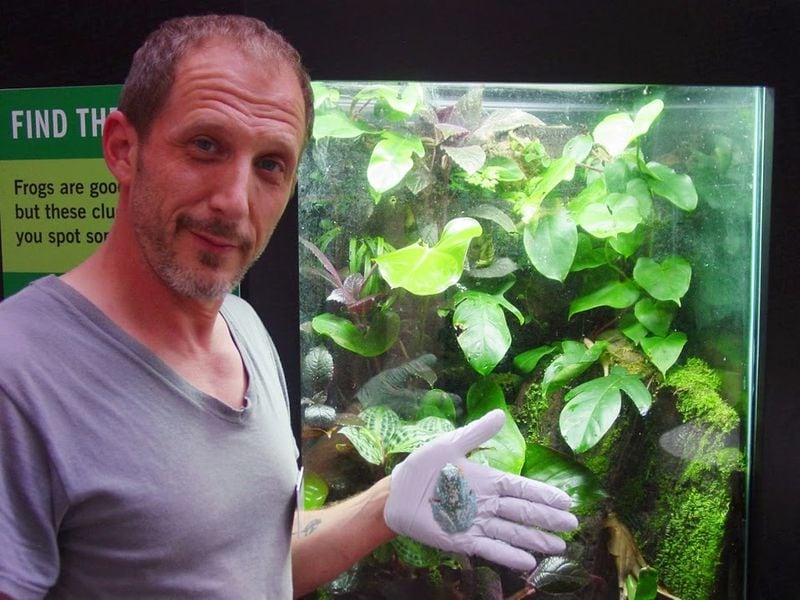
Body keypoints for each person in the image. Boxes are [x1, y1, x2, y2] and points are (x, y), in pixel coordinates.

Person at [0, 14, 577, 599]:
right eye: (205, 145)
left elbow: (258, 564)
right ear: (124, 149)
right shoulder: (18, 374)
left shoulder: (243, 327)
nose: (234, 201)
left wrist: (387, 502)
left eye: (270, 164)